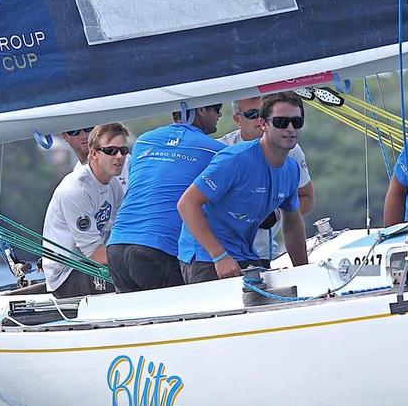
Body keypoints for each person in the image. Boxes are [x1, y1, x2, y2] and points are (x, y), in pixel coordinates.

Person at [177, 92, 309, 282]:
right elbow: (187, 204)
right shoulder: (235, 159)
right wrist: (219, 256)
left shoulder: (291, 169)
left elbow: (292, 223)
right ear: (263, 124)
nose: (290, 128)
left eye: (296, 122)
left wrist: (304, 273)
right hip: (206, 258)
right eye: (281, 122)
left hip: (245, 254)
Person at [106, 104, 225, 292]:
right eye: (217, 108)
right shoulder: (217, 151)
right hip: (159, 248)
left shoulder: (144, 141)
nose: (220, 113)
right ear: (199, 109)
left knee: (139, 321)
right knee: (183, 319)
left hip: (117, 245)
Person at [220, 96, 315, 264]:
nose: (259, 118)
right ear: (237, 119)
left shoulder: (289, 148)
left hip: (264, 252)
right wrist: (218, 256)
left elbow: (306, 199)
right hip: (224, 255)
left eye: (263, 112)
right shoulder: (224, 151)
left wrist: (276, 214)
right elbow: (189, 203)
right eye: (252, 114)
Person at [42, 123, 129, 298]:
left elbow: (122, 230)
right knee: (135, 273)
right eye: (111, 151)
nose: (119, 157)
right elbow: (95, 254)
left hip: (92, 263)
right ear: (94, 154)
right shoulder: (75, 191)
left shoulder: (113, 184)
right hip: (67, 275)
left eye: (123, 150)